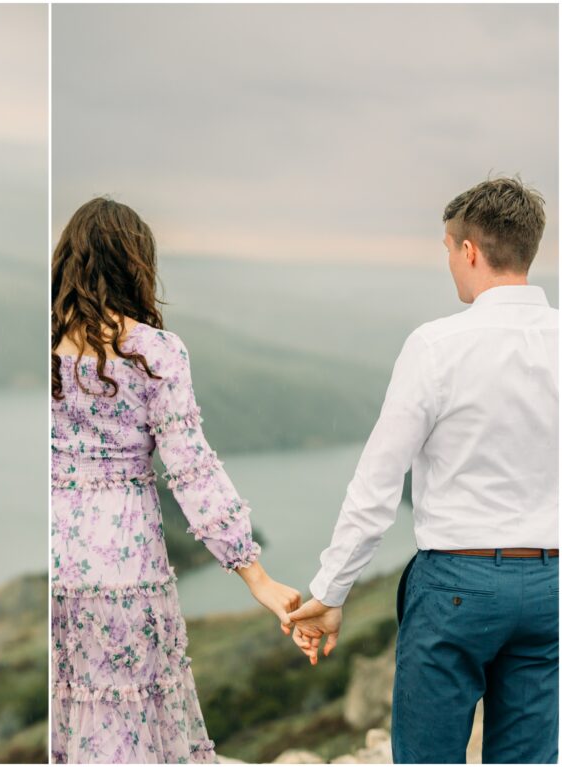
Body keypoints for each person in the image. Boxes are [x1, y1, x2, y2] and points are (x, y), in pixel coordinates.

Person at [289, 177, 558, 763]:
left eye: (448, 250)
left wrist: (330, 590)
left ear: (469, 250)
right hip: (549, 587)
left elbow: (378, 484)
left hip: (456, 587)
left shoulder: (436, 346)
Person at [51, 198, 301, 764]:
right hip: (125, 564)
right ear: (136, 264)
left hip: (57, 564)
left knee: (67, 718)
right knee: (131, 721)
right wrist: (255, 576)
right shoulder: (156, 353)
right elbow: (192, 470)